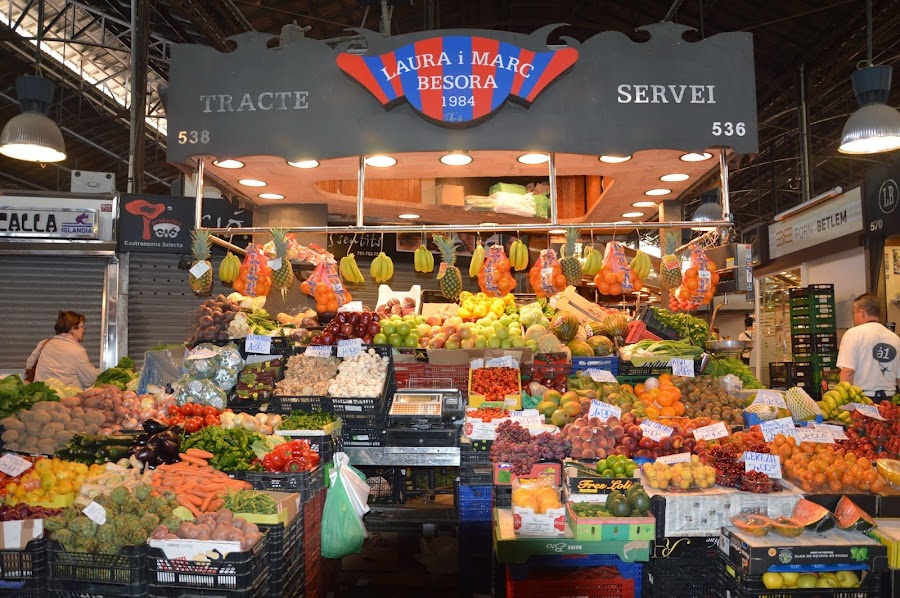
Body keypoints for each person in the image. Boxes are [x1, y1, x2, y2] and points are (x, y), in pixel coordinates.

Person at [836, 294, 900, 402]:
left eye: (854, 313)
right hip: (890, 402)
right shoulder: (895, 338)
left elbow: (848, 372)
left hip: (863, 400)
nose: (854, 317)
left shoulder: (853, 334)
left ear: (861, 312)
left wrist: (842, 401)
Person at [25, 311, 99, 390]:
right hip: (66, 400)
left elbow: (29, 366)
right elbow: (90, 380)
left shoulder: (44, 343)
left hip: (42, 396)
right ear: (73, 329)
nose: (83, 330)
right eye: (82, 327)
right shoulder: (77, 351)